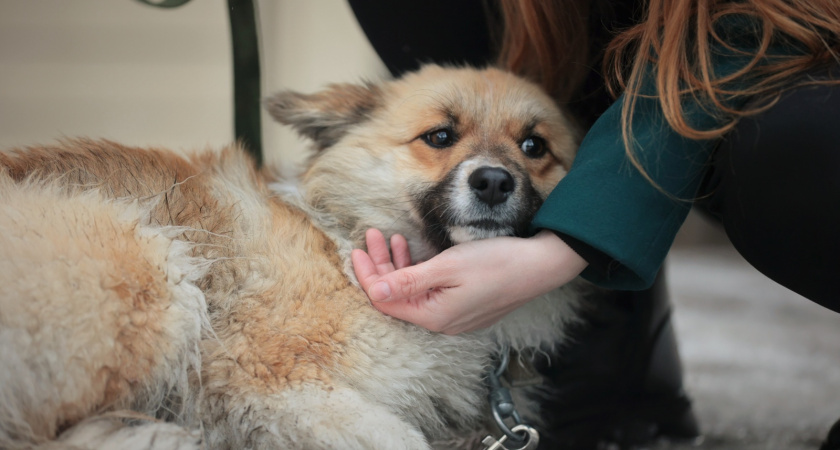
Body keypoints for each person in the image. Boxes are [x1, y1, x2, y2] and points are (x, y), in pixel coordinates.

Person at [348, 0, 840, 448]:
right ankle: (615, 329)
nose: (491, 172)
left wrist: (563, 248)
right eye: (441, 135)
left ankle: (601, 302)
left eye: (531, 147)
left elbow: (750, 26)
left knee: (797, 148)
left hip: (794, 67)